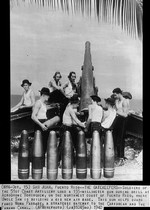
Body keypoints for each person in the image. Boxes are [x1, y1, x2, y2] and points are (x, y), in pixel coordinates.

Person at [31, 87, 60, 166]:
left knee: (44, 145)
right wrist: (41, 125)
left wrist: (54, 106)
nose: (49, 97)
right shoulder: (38, 103)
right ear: (44, 95)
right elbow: (33, 116)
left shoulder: (43, 104)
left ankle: (42, 164)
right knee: (39, 145)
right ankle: (37, 163)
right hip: (39, 124)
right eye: (48, 95)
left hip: (44, 123)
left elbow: (45, 109)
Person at [58, 94, 85, 165]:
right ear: (75, 103)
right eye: (78, 104)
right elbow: (75, 119)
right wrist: (83, 125)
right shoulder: (70, 109)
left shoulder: (69, 106)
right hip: (65, 128)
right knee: (63, 144)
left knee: (69, 143)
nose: (78, 106)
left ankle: (68, 160)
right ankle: (60, 161)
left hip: (69, 127)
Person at [112, 87, 130, 166]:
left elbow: (125, 115)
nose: (114, 96)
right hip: (118, 120)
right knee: (114, 138)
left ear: (119, 93)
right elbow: (116, 110)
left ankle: (121, 158)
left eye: (115, 95)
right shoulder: (117, 101)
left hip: (123, 121)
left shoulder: (125, 102)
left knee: (121, 139)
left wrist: (117, 112)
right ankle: (116, 156)